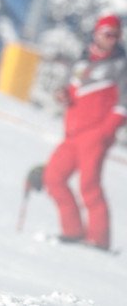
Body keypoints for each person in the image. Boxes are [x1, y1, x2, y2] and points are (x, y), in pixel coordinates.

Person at [42, 14, 126, 250]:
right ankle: (73, 232)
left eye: (116, 35)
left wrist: (105, 132)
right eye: (107, 34)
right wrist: (64, 95)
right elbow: (74, 90)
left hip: (95, 135)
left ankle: (98, 240)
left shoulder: (121, 64)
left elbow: (123, 104)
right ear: (97, 34)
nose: (111, 39)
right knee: (53, 178)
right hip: (72, 134)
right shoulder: (82, 62)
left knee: (89, 185)